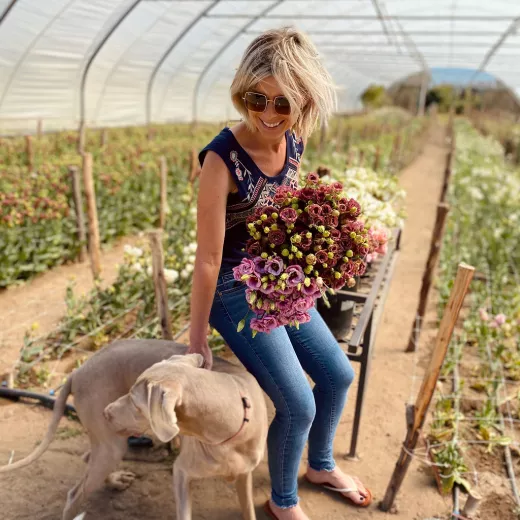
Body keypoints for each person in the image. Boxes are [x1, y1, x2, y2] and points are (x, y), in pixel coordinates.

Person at [187, 27, 371, 519]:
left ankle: (321, 464)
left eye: (282, 104)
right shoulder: (220, 160)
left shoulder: (294, 142)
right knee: (297, 404)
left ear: (304, 101)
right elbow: (207, 260)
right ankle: (282, 502)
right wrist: (196, 338)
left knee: (335, 376)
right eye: (256, 99)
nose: (267, 114)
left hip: (276, 281)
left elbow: (286, 202)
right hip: (232, 289)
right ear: (242, 92)